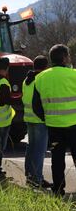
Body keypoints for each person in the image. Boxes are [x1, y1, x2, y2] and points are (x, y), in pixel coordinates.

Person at [33, 44, 76, 196]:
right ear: (64, 58)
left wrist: (47, 119)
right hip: (74, 125)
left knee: (57, 160)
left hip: (53, 126)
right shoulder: (74, 75)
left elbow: (36, 106)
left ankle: (58, 189)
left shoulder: (40, 78)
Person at [23, 55, 52, 188]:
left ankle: (29, 175)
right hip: (39, 119)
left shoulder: (26, 80)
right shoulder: (41, 79)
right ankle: (37, 178)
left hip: (29, 118)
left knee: (31, 148)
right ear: (45, 67)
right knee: (39, 150)